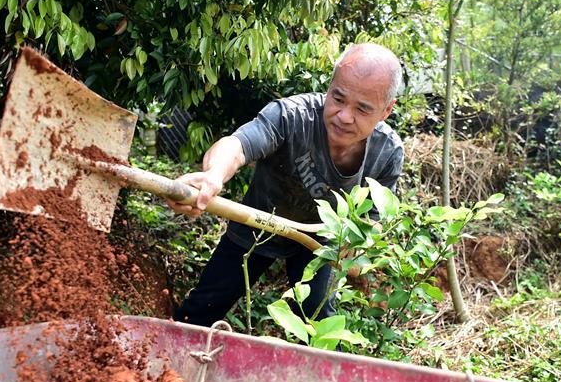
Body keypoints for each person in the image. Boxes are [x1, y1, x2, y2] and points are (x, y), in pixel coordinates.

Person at [168, 43, 405, 327]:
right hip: (258, 221)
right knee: (203, 308)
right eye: (338, 99)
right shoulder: (292, 115)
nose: (344, 116)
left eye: (362, 109)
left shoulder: (387, 152)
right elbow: (238, 145)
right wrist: (213, 176)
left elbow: (375, 218)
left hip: (321, 243)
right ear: (329, 86)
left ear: (386, 110)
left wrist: (358, 246)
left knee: (317, 322)